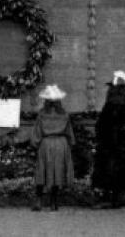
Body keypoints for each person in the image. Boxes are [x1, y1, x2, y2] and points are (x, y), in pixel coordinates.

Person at [91, 70, 125, 209]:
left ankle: (107, 198)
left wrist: (99, 134)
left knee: (107, 167)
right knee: (120, 167)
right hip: (121, 138)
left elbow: (103, 122)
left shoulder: (110, 104)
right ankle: (117, 198)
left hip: (109, 138)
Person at [30, 84, 75, 212]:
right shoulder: (64, 115)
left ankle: (38, 200)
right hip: (61, 143)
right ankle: (54, 202)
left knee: (42, 170)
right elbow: (69, 132)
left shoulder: (42, 114)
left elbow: (37, 133)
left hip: (46, 143)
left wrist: (35, 143)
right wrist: (70, 143)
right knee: (57, 171)